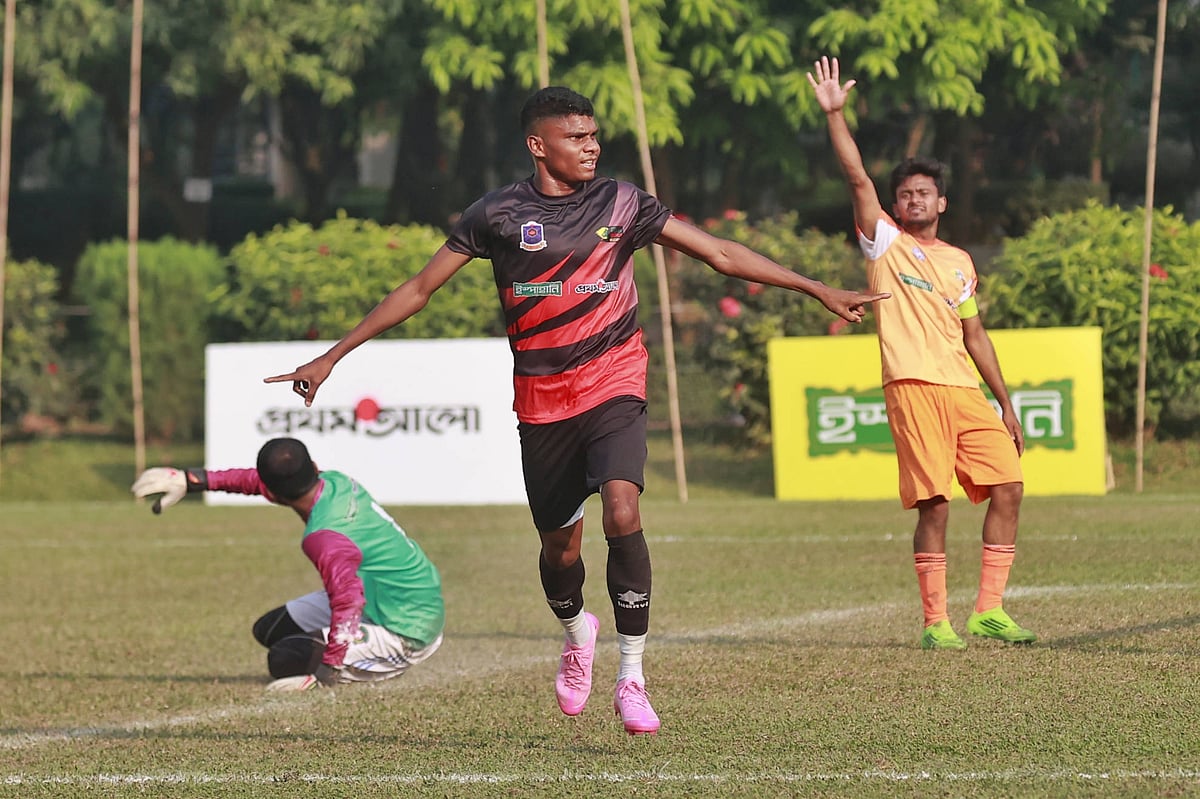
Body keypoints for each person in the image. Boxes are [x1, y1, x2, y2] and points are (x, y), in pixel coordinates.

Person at [263, 86, 889, 733]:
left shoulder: (623, 203)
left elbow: (721, 253)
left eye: (594, 135)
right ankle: (576, 631)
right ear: (539, 144)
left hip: (614, 381)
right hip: (542, 406)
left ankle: (632, 676)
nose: (592, 146)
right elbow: (419, 288)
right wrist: (333, 355)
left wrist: (814, 287)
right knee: (560, 551)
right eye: (576, 137)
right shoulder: (497, 214)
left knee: (623, 507)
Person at [807, 56, 1037, 650]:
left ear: (942, 204)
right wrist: (836, 115)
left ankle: (989, 610)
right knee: (934, 505)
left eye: (923, 193)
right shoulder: (885, 241)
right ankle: (937, 623)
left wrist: (1005, 403)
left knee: (1008, 486)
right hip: (911, 385)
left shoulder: (960, 261)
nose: (912, 200)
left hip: (966, 392)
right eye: (905, 193)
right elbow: (858, 179)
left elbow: (975, 335)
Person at [131, 437, 445, 689]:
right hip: (390, 597)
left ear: (276, 497)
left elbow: (348, 601)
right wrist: (194, 480)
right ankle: (362, 658)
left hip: (406, 626)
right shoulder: (335, 482)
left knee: (284, 659)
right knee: (269, 631)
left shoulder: (325, 537)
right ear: (314, 466)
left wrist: (328, 672)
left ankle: (384, 664)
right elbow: (256, 480)